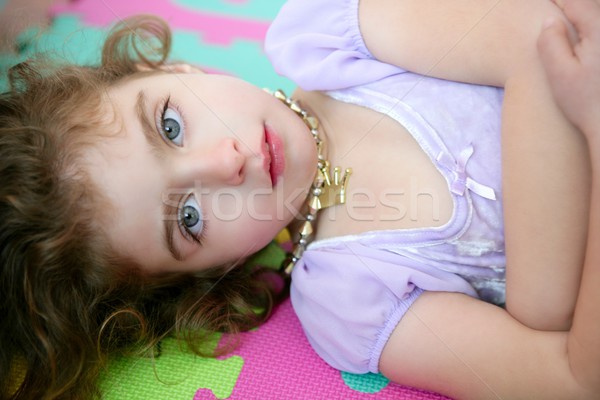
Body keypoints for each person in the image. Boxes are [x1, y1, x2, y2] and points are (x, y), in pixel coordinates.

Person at [1, 1, 599, 399]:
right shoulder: (347, 302)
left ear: (180, 67)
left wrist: (544, 308)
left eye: (171, 125)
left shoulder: (327, 38)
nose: (225, 162)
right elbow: (571, 377)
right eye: (188, 218)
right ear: (213, 271)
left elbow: (546, 33)